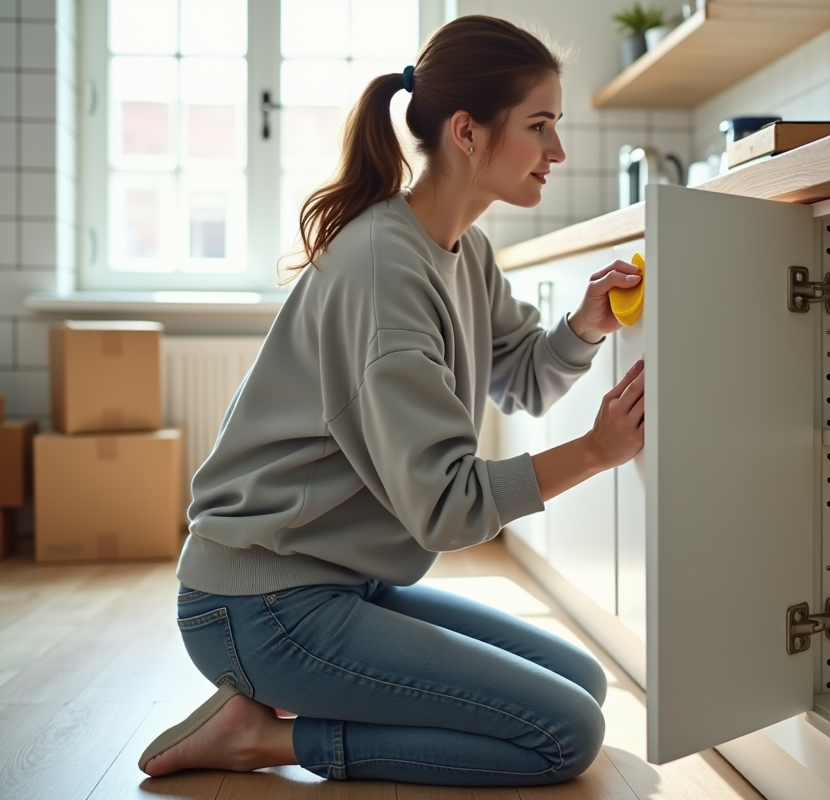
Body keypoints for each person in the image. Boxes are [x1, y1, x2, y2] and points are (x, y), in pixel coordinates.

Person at [137, 15, 646, 787]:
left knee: (585, 686)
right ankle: (261, 741)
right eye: (540, 125)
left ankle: (262, 713)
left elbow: (525, 379)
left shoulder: (463, 250)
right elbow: (445, 508)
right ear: (468, 133)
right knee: (565, 733)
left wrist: (583, 324)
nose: (557, 151)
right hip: (260, 606)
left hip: (339, 580)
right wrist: (596, 453)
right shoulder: (385, 270)